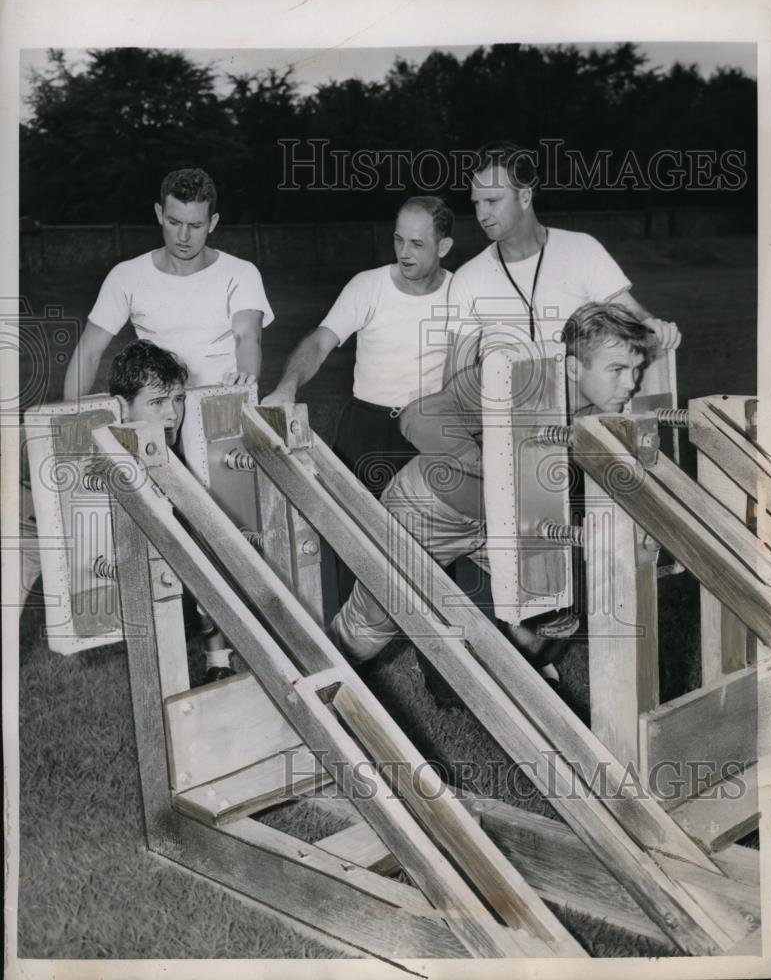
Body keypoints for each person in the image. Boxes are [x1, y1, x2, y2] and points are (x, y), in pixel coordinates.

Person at [329, 303, 658, 701]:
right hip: (430, 508)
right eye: (618, 370)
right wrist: (496, 467)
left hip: (508, 520)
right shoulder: (514, 381)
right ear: (573, 368)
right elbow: (417, 417)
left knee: (551, 609)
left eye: (636, 371)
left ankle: (528, 692)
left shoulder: (601, 408)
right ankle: (316, 684)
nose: (631, 385)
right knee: (372, 623)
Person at [260, 196, 455, 499]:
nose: (404, 253)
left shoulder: (462, 293)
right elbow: (319, 342)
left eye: (417, 244)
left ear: (443, 247)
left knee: (423, 540)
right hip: (366, 429)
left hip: (430, 430)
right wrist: (288, 387)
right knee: (350, 533)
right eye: (398, 239)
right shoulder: (368, 286)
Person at [445, 141, 680, 384]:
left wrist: (650, 323)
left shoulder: (581, 249)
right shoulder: (468, 277)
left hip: (579, 401)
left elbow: (628, 311)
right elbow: (456, 375)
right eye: (476, 203)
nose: (482, 214)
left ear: (525, 197)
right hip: (505, 407)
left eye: (492, 201)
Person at [63, 167, 274, 398]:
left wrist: (244, 385)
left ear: (212, 223)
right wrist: (69, 416)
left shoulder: (241, 273)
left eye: (195, 226)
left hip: (223, 404)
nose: (183, 237)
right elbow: (89, 351)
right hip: (158, 409)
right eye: (174, 222)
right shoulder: (126, 276)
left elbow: (247, 337)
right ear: (159, 213)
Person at [107, 339, 233, 681]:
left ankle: (218, 661)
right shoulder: (112, 465)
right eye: (157, 402)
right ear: (122, 406)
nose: (172, 414)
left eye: (178, 399)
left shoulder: (180, 454)